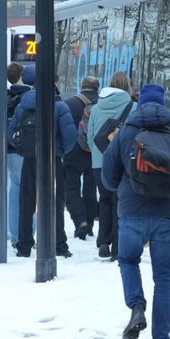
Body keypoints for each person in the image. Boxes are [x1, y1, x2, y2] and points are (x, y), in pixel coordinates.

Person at [101, 84, 170, 339]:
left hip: (133, 214)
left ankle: (137, 306)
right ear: (163, 105)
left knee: (128, 260)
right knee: (164, 279)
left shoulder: (125, 133)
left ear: (139, 104)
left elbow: (108, 179)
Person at [6, 64, 78, 258]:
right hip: (53, 161)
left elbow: (11, 134)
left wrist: (24, 149)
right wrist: (59, 151)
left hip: (29, 161)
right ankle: (59, 244)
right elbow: (71, 136)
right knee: (55, 203)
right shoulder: (60, 106)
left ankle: (24, 245)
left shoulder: (23, 105)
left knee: (26, 203)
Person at [87, 71, 134, 259]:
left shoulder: (96, 108)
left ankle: (103, 242)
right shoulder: (132, 107)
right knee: (120, 202)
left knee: (105, 200)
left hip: (99, 162)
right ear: (127, 86)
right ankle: (117, 248)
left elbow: (90, 138)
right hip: (121, 163)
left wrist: (99, 154)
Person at [62, 75, 100, 241]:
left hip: (73, 152)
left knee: (71, 189)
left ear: (81, 86)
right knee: (91, 188)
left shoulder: (69, 103)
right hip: (95, 152)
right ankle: (90, 224)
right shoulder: (102, 104)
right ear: (97, 89)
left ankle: (80, 221)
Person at [4, 62, 31, 246]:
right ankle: (29, 234)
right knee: (31, 193)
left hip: (10, 150)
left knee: (14, 192)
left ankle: (15, 235)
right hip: (25, 151)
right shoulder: (28, 97)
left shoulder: (5, 96)